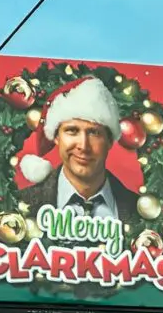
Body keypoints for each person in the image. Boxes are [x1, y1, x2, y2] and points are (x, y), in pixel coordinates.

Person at [17, 75, 137, 221]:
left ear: (109, 140)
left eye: (94, 132)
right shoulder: (22, 205)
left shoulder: (137, 209)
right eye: (72, 131)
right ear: (56, 137)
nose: (83, 146)